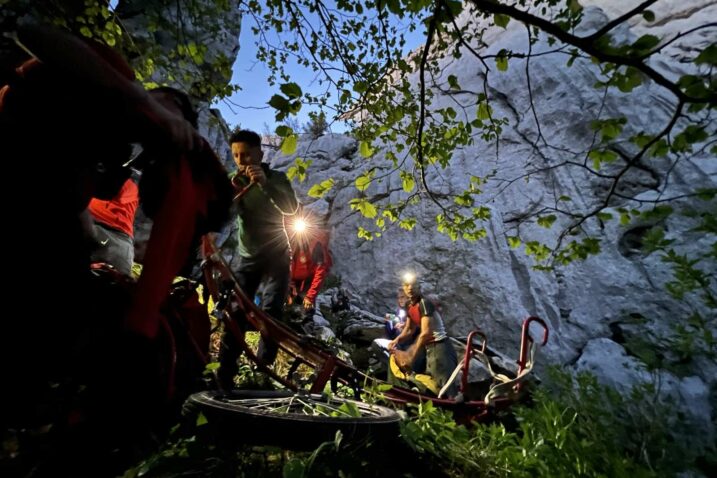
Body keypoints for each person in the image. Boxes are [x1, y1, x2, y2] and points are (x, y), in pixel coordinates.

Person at [0, 22, 232, 475]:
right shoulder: (113, 80)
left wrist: (80, 217)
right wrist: (143, 100)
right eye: (173, 112)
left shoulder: (108, 149)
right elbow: (33, 33)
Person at [218, 129, 298, 389]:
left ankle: (262, 369)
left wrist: (266, 185)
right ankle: (225, 372)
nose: (241, 161)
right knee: (236, 310)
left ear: (260, 154)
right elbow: (221, 214)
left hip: (277, 253)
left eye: (246, 155)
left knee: (272, 309)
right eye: (236, 156)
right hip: (247, 255)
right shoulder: (232, 181)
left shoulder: (276, 178)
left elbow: (291, 209)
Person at [389, 273, 458, 397]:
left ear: (419, 286)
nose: (410, 288)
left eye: (413, 285)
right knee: (433, 384)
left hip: (439, 348)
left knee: (445, 386)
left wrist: (412, 354)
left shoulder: (424, 303)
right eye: (406, 285)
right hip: (429, 349)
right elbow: (409, 329)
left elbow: (426, 332)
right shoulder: (411, 306)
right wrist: (397, 340)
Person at [288, 211, 332, 331]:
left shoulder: (316, 245)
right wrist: (289, 286)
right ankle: (289, 332)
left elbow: (320, 271)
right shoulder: (292, 242)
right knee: (290, 307)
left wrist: (310, 296)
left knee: (306, 310)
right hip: (294, 280)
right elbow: (288, 263)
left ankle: (306, 335)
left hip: (308, 280)